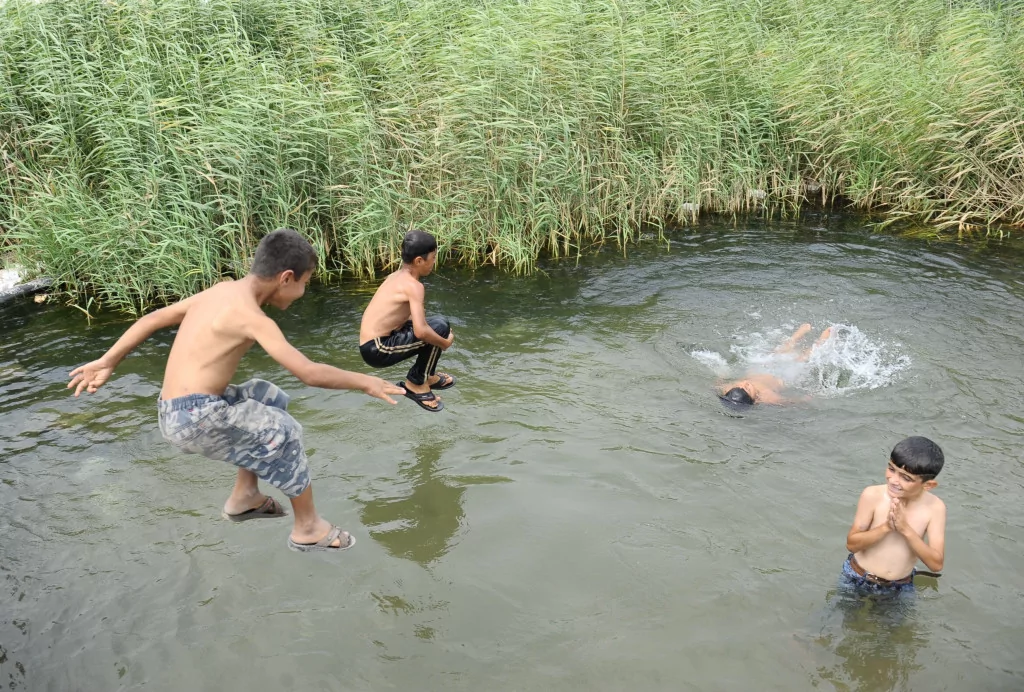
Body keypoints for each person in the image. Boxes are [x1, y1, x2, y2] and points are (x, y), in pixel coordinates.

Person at [67, 228, 405, 553]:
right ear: (286, 277)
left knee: (265, 396)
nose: (303, 292)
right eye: (305, 283)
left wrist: (108, 360)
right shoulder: (252, 318)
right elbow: (309, 373)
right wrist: (367, 381)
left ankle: (245, 496)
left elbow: (153, 318)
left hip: (176, 408)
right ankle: (308, 528)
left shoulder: (220, 291)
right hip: (195, 417)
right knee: (284, 431)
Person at [359, 229, 456, 413]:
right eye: (433, 258)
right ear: (419, 260)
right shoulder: (414, 286)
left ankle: (427, 376)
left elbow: (406, 317)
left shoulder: (395, 276)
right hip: (377, 349)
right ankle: (416, 383)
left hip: (378, 340)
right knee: (439, 329)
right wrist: (445, 343)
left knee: (437, 325)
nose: (434, 262)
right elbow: (421, 332)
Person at [841, 436, 946, 594]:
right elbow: (852, 544)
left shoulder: (935, 508)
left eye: (906, 478)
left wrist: (905, 529)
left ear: (928, 485)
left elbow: (936, 564)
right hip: (857, 576)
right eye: (891, 469)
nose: (893, 480)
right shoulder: (873, 495)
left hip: (900, 585)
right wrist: (887, 527)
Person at [717, 323, 831, 407]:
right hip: (781, 376)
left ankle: (796, 336)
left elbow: (717, 385)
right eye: (748, 388)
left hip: (759, 370)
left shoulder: (728, 389)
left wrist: (721, 375)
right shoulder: (767, 397)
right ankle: (822, 340)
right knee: (802, 359)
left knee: (777, 352)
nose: (745, 383)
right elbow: (789, 402)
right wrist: (807, 398)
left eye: (740, 385)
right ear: (755, 400)